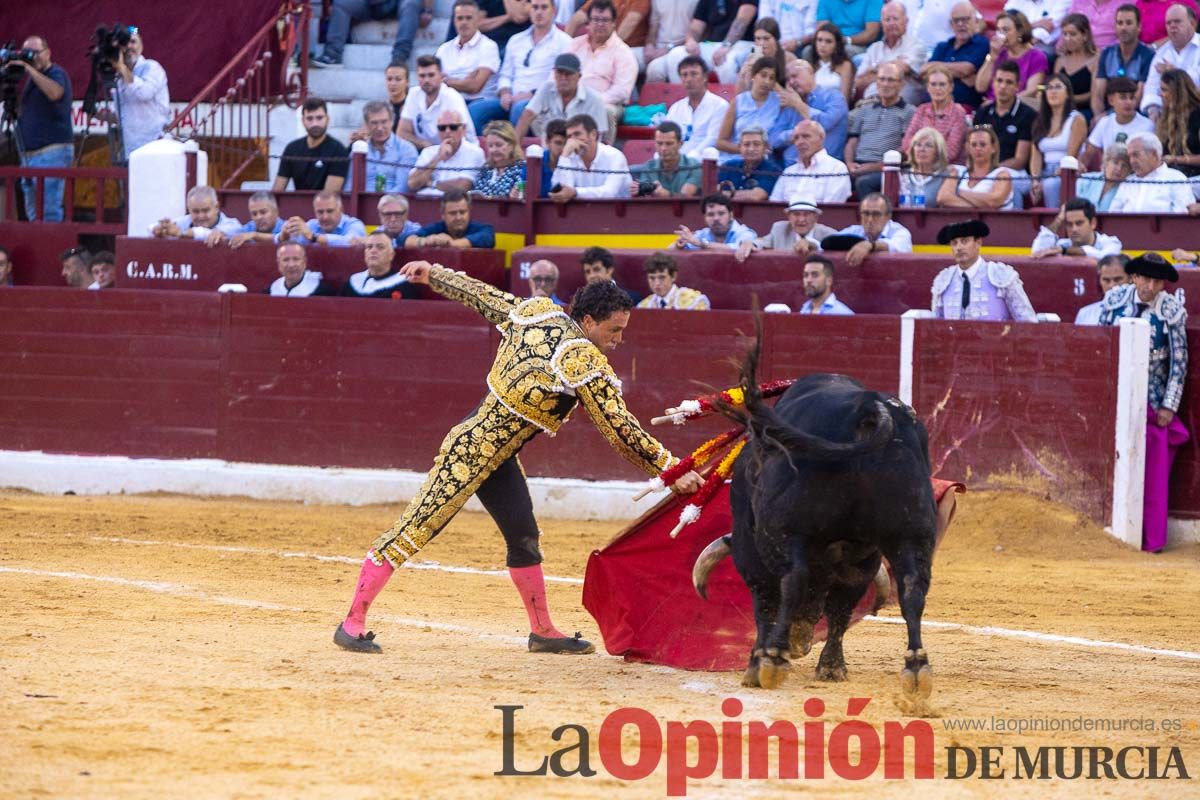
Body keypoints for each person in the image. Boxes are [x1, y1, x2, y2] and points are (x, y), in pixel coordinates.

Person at [331, 263, 702, 655]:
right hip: (470, 454)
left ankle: (542, 631)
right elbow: (619, 429)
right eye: (614, 330)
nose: (619, 339)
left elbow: (482, 296)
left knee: (523, 537)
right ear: (589, 321)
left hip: (499, 458)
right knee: (415, 528)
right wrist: (670, 468)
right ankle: (351, 622)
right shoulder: (582, 361)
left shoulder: (536, 313)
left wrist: (434, 275)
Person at [1099, 252, 1189, 553]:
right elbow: (1101, 347)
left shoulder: (1172, 310)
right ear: (1134, 277)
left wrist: (1168, 406)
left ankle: (1151, 541)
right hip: (1114, 399)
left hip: (1152, 404)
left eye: (1156, 281)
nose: (1150, 286)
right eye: (1145, 279)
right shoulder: (1113, 302)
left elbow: (1179, 363)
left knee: (1153, 473)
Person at [476, 0, 572, 128]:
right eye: (535, 8)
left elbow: (559, 81)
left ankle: (513, 146)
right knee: (476, 110)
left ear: (553, 11)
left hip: (542, 100)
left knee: (520, 108)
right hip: (511, 98)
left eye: (544, 8)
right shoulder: (516, 40)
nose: (539, 12)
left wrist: (531, 94)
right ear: (529, 11)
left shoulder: (564, 42)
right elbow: (505, 75)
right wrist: (505, 92)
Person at [12, 35, 72, 223]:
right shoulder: (32, 80)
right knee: (33, 213)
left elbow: (55, 93)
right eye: (27, 54)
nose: (31, 57)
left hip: (51, 152)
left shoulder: (56, 72)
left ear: (48, 53)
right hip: (29, 156)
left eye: (35, 53)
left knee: (49, 210)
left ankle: (53, 250)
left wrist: (29, 69)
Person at [931, 220, 1038, 321]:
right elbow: (935, 324)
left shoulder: (1001, 275)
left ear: (978, 243)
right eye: (954, 243)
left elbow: (1026, 319)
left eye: (964, 241)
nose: (959, 247)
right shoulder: (943, 280)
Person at [568, 0, 639, 139]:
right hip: (571, 99)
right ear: (588, 22)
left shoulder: (623, 52)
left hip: (607, 103)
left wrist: (591, 101)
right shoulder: (574, 45)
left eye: (605, 20)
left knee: (605, 111)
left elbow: (622, 91)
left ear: (614, 23)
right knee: (538, 110)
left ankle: (601, 154)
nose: (600, 24)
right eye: (595, 19)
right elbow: (556, 76)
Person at [844, 63, 916, 196]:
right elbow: (852, 141)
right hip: (858, 165)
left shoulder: (909, 112)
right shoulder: (864, 110)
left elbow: (905, 148)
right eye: (881, 79)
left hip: (887, 167)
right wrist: (849, 163)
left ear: (901, 84)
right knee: (829, 178)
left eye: (890, 80)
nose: (885, 84)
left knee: (864, 182)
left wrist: (874, 166)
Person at [648, 0, 757, 85]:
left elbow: (742, 22)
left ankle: (732, 105)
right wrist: (691, 41)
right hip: (714, 45)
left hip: (743, 44)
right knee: (677, 54)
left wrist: (727, 45)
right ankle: (682, 102)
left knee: (726, 62)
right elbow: (695, 28)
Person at [973, 62, 1036, 198]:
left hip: (1017, 173)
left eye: (1008, 82)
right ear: (993, 83)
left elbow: (1020, 160)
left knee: (997, 180)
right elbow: (973, 147)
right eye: (999, 81)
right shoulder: (982, 113)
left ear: (1017, 87)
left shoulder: (1027, 115)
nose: (1002, 86)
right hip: (984, 169)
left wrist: (991, 170)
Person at [438, 0, 502, 134]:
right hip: (451, 101)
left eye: (468, 18)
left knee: (473, 112)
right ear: (454, 21)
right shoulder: (443, 50)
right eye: (460, 18)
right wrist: (464, 82)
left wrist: (448, 81)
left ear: (478, 20)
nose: (464, 22)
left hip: (481, 101)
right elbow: (437, 83)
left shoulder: (489, 47)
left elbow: (475, 87)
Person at [106, 28, 170, 162]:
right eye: (125, 43)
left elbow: (144, 93)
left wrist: (122, 68)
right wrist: (95, 113)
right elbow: (122, 115)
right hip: (130, 151)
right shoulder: (120, 77)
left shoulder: (152, 67)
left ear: (141, 46)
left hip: (154, 149)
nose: (129, 46)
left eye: (133, 42)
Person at [1027, 72, 1088, 208]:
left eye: (1058, 87)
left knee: (1050, 184)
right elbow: (1035, 155)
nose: (1053, 92)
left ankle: (1056, 225)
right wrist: (1036, 179)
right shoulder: (1040, 121)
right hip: (1045, 170)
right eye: (1049, 88)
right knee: (1019, 184)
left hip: (1068, 170)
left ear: (1067, 94)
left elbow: (1071, 156)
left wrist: (1048, 178)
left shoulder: (1076, 119)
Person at [515, 53, 609, 140]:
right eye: (559, 73)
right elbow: (527, 115)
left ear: (579, 76)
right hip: (551, 144)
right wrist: (515, 147)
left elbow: (597, 135)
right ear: (554, 74)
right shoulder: (546, 88)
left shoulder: (594, 99)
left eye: (568, 74)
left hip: (580, 147)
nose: (563, 78)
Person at [311, 0, 426, 68]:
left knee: (411, 3)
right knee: (342, 3)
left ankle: (399, 57)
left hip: (398, 3)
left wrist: (429, 10)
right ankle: (332, 55)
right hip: (368, 5)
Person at [775, 59, 849, 163]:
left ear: (811, 73)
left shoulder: (833, 96)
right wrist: (794, 134)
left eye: (795, 76)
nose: (791, 82)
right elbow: (773, 139)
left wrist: (799, 105)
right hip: (791, 168)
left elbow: (826, 122)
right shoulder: (790, 104)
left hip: (825, 168)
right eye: (788, 79)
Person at [398, 56, 477, 152]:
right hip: (426, 151)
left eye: (431, 75)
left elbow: (457, 138)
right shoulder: (414, 94)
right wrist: (424, 145)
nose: (426, 80)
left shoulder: (452, 97)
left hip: (459, 153)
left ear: (441, 76)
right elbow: (402, 133)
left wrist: (431, 151)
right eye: (422, 76)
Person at [855, 2, 928, 104]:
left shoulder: (916, 46)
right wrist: (892, 68)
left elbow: (902, 68)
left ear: (906, 21)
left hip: (901, 106)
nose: (891, 23)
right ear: (882, 24)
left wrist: (874, 69)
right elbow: (859, 82)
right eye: (887, 19)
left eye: (895, 19)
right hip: (871, 103)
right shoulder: (874, 48)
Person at [549, 113, 632, 201]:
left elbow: (609, 192)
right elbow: (563, 191)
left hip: (619, 212)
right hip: (583, 212)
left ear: (593, 134)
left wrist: (575, 192)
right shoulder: (569, 156)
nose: (572, 141)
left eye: (577, 134)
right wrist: (564, 156)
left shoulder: (614, 156)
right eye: (569, 137)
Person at [715, 59, 788, 158]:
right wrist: (746, 151)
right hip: (736, 158)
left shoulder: (780, 103)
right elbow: (720, 142)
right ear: (753, 75)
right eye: (763, 75)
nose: (767, 81)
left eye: (772, 78)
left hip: (765, 161)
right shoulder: (738, 101)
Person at [1093, 4, 1157, 117]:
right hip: (1107, 116)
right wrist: (1099, 117)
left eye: (1129, 23)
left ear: (1139, 27)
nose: (1123, 27)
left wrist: (1108, 116)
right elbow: (1098, 94)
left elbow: (1138, 96)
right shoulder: (1106, 54)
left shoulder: (1148, 56)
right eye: (1120, 23)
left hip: (1136, 115)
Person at [274, 98, 350, 192]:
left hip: (324, 206)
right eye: (309, 118)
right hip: (297, 205)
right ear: (303, 120)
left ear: (327, 119)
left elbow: (330, 196)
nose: (315, 123)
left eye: (319, 118)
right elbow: (277, 190)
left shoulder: (338, 150)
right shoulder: (292, 149)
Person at [924, 3, 991, 109]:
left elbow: (966, 69)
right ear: (951, 24)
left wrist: (936, 67)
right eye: (956, 20)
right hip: (934, 107)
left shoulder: (981, 43)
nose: (960, 24)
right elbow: (924, 71)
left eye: (965, 19)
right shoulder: (943, 46)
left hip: (965, 108)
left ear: (976, 21)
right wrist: (959, 74)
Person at [769, 120, 852, 204]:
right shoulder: (788, 172)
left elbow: (831, 208)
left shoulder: (837, 168)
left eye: (806, 136)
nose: (800, 142)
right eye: (796, 138)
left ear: (821, 138)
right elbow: (774, 206)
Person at [1109, 130, 1195, 210]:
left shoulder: (1176, 178)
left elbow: (1183, 217)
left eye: (1136, 155)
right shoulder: (1128, 182)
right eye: (1130, 156)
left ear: (1154, 154)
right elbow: (1113, 214)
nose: (1132, 161)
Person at [1140, 4, 1200, 119]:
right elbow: (1151, 87)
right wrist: (1153, 107)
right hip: (1168, 116)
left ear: (1192, 23)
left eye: (1177, 21)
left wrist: (1173, 71)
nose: (1172, 26)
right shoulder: (1161, 54)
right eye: (1168, 23)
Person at [975, 10, 1049, 103]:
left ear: (1020, 31)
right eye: (998, 30)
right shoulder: (999, 53)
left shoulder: (1036, 57)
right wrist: (992, 57)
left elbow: (1032, 91)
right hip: (992, 107)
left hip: (1018, 108)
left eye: (1005, 30)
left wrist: (1000, 104)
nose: (1001, 35)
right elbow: (980, 87)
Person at [408, 110, 487, 195]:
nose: (447, 131)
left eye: (453, 127)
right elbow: (412, 184)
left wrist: (431, 183)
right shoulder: (428, 152)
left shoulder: (474, 152)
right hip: (425, 203)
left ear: (463, 129)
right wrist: (437, 158)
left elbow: (462, 187)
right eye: (442, 128)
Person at [937, 125, 1017, 209]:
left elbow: (993, 201)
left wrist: (957, 192)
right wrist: (978, 206)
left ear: (993, 148)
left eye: (983, 145)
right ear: (968, 148)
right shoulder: (958, 171)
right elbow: (942, 197)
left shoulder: (1002, 174)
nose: (978, 148)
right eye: (974, 145)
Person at [736, 196, 838, 261]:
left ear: (816, 217)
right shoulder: (779, 229)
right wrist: (750, 243)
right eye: (796, 214)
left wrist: (812, 244)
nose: (801, 219)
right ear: (788, 216)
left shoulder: (829, 234)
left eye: (806, 214)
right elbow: (761, 242)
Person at [665, 56, 730, 159]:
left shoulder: (720, 105)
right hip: (676, 161)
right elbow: (667, 136)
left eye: (694, 74)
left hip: (703, 161)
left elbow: (713, 139)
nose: (689, 79)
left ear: (705, 77)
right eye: (684, 75)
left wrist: (689, 158)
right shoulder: (675, 108)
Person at [902, 67, 968, 165]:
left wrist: (924, 157)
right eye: (933, 84)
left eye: (942, 84)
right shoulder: (922, 110)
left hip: (947, 169)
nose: (937, 88)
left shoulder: (958, 113)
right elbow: (907, 142)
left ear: (951, 87)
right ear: (927, 87)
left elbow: (952, 151)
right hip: (918, 165)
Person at [1084, 76, 1157, 164]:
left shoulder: (1147, 126)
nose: (1129, 102)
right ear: (1111, 100)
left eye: (1132, 97)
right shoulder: (1104, 122)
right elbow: (1088, 155)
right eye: (1123, 98)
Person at [832, 193, 914, 267]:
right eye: (866, 213)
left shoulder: (900, 232)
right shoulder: (854, 231)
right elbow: (829, 242)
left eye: (876, 214)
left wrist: (870, 245)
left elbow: (896, 246)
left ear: (888, 216)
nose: (870, 219)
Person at [355, 101, 419, 193]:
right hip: (361, 203)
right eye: (374, 123)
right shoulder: (360, 149)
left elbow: (403, 187)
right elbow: (350, 185)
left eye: (384, 122)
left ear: (392, 121)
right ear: (366, 125)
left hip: (393, 203)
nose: (380, 128)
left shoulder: (406, 150)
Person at [1031, 197, 1124, 259]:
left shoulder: (1111, 243)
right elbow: (1037, 252)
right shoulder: (1062, 244)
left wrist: (1064, 250)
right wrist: (1059, 219)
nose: (1074, 229)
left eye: (1079, 223)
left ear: (1093, 223)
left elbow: (1103, 257)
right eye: (1069, 224)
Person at [150, 185, 244, 245]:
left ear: (216, 207)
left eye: (205, 210)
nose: (201, 216)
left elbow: (205, 233)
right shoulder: (185, 221)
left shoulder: (232, 224)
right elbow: (150, 227)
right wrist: (159, 229)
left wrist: (180, 233)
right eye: (195, 211)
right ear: (189, 209)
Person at [402, 188, 497, 248]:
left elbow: (487, 237)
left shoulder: (483, 229)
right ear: (443, 214)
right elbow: (406, 240)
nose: (458, 217)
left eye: (462, 212)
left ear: (469, 211)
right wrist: (427, 241)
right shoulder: (436, 228)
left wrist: (449, 244)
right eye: (453, 213)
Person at [341, 231, 420, 299]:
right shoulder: (353, 283)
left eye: (380, 247)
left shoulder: (404, 285)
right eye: (369, 247)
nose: (373, 251)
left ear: (391, 255)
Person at [1155, 68, 1200, 188]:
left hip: (1195, 180)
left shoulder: (1198, 115)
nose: (1160, 94)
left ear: (1177, 92)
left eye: (1164, 90)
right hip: (1170, 178)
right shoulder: (1164, 116)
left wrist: (1177, 159)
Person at [633, 121, 702, 197]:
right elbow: (645, 197)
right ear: (655, 144)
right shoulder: (648, 166)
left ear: (680, 144)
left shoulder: (694, 166)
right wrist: (638, 192)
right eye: (659, 143)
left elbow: (685, 198)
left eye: (669, 144)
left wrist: (666, 194)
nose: (663, 148)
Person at [716, 126, 785, 201]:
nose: (751, 149)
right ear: (740, 147)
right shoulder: (728, 166)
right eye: (746, 144)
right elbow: (712, 191)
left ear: (765, 147)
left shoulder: (773, 170)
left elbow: (756, 196)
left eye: (756, 144)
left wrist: (723, 194)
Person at [642, 0, 708, 77]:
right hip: (657, 48)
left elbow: (699, 33)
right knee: (628, 58)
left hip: (683, 48)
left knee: (655, 69)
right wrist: (649, 45)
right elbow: (654, 26)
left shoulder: (698, 1)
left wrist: (668, 49)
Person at [669, 193, 757, 250]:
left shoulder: (745, 232)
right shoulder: (702, 234)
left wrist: (702, 244)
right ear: (704, 218)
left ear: (731, 215)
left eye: (721, 213)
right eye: (710, 214)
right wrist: (679, 245)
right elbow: (670, 250)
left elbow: (740, 248)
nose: (716, 218)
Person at [278, 190, 368, 246]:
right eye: (320, 212)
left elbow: (350, 242)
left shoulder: (354, 224)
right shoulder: (312, 225)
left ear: (341, 209)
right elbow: (291, 246)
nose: (325, 217)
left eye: (330, 211)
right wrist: (285, 235)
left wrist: (314, 237)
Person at [734, 19, 798, 93]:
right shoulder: (750, 58)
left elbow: (794, 91)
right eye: (758, 38)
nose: (761, 43)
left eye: (766, 38)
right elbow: (739, 95)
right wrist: (743, 74)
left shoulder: (789, 59)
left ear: (776, 39)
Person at [1055, 14, 1099, 117]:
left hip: (1084, 111)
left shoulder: (1095, 60)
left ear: (1085, 35)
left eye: (1073, 34)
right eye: (1065, 34)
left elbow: (1094, 94)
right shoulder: (1060, 61)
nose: (1068, 39)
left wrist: (1070, 99)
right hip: (1061, 110)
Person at [566, 0, 653, 51]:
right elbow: (577, 19)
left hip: (630, 48)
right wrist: (565, 46)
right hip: (600, 44)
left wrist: (603, 50)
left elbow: (629, 25)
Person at [636, 252, 711, 309]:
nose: (657, 283)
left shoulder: (694, 301)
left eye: (662, 277)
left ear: (673, 276)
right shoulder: (644, 306)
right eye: (652, 278)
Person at [805, 22, 855, 106]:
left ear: (837, 45)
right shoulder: (810, 65)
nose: (822, 45)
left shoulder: (845, 65)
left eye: (828, 41)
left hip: (836, 111)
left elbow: (844, 100)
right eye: (819, 40)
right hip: (811, 111)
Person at [900, 128, 952, 208]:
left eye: (928, 145)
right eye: (918, 145)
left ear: (938, 152)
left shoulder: (946, 177)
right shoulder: (902, 175)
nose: (922, 149)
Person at [813, 0, 885, 58]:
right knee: (809, 51)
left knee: (846, 51)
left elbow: (871, 34)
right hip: (831, 42)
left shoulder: (874, 1)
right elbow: (822, 28)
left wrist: (846, 40)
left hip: (861, 46)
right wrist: (833, 41)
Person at [473, 120, 526, 197]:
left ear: (511, 145)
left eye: (499, 145)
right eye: (490, 145)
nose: (494, 150)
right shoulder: (486, 169)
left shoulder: (521, 169)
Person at [1074, 253, 1130, 323]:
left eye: (1118, 279)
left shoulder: (1143, 312)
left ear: (1130, 279)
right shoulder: (1085, 314)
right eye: (1106, 280)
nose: (1111, 285)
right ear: (1100, 280)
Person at [1078, 142, 1134, 209]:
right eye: (1115, 162)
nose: (1119, 169)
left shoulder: (1127, 189)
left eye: (1124, 166)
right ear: (1106, 162)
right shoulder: (1086, 179)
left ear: (1129, 171)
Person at [268, 242, 336, 297]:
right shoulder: (271, 290)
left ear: (304, 262)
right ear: (279, 264)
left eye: (296, 259)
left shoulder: (322, 292)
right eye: (285, 260)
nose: (291, 265)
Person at [1003, 0, 1073, 50]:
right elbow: (1004, 24)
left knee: (1036, 54)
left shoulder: (1062, 1)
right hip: (1016, 41)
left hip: (1044, 45)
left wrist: (1018, 28)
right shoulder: (1015, 2)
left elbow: (1048, 26)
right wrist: (1037, 24)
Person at [537, 119, 568, 197]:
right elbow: (522, 191)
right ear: (547, 142)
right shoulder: (535, 162)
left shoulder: (577, 162)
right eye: (558, 143)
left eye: (567, 144)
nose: (563, 148)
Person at [387, 63, 411, 130]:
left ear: (407, 82)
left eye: (398, 79)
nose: (393, 83)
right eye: (389, 79)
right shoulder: (382, 107)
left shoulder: (412, 108)